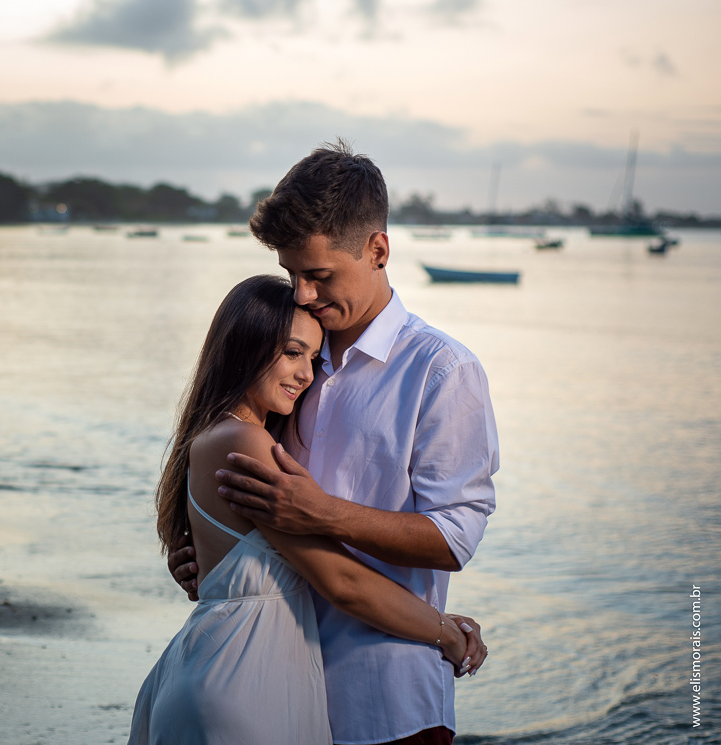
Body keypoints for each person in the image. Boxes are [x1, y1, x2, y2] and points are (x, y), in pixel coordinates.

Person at [168, 142, 499, 745]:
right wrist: (215, 561)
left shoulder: (441, 371)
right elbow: (241, 510)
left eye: (318, 275)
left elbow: (454, 537)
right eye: (293, 274)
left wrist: (324, 513)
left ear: (377, 249)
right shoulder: (288, 364)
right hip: (275, 689)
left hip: (386, 694)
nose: (301, 293)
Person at [129, 274, 486, 745]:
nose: (306, 374)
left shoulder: (223, 435)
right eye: (292, 353)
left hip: (225, 665)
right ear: (246, 346)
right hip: (244, 680)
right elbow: (343, 582)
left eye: (313, 358)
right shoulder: (246, 442)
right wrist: (445, 632)